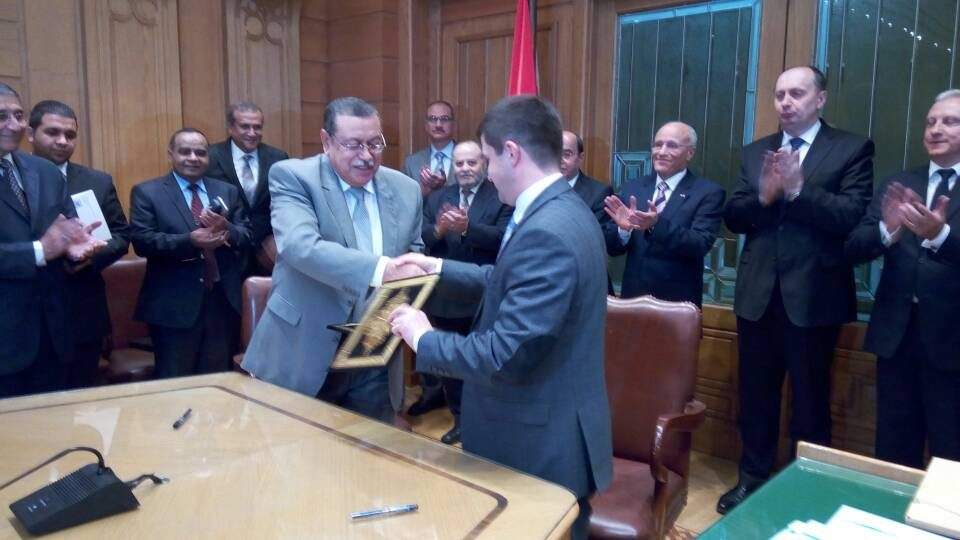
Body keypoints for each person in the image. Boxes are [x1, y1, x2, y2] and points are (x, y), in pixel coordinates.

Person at [389, 95, 613, 539]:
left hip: (536, 442)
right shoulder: (564, 209)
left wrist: (424, 337)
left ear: (512, 153)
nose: (487, 173)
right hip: (552, 426)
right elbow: (509, 279)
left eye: (488, 160)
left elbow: (504, 354)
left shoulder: (547, 230)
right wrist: (438, 267)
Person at [719, 66, 874, 513]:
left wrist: (799, 189)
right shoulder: (756, 151)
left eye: (797, 94)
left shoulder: (851, 148)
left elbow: (850, 217)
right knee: (756, 397)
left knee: (810, 401)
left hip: (814, 297)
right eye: (779, 94)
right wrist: (764, 196)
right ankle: (751, 480)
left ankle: (806, 490)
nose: (786, 102)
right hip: (758, 296)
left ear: (820, 99)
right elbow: (734, 215)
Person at [241, 97, 425, 423]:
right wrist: (381, 269)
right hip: (304, 347)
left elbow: (414, 252)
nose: (366, 156)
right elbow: (299, 246)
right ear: (326, 142)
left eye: (375, 144)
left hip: (373, 350)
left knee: (371, 447)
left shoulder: (406, 189)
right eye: (353, 145)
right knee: (297, 447)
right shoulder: (294, 176)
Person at [845, 89, 960, 468]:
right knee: (893, 448)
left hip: (953, 342)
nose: (936, 129)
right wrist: (888, 229)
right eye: (931, 122)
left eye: (950, 121)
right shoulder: (900, 182)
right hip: (897, 337)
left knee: (951, 454)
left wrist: (940, 236)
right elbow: (854, 247)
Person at [0, 83, 103, 397]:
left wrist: (74, 250)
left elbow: (63, 229)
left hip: (54, 334)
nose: (14, 125)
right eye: (2, 116)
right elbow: (44, 246)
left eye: (19, 115)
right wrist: (39, 251)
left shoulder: (44, 171)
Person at [130, 128, 252, 378]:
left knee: (218, 381)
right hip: (173, 305)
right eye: (185, 152)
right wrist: (190, 241)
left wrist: (226, 228)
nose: (193, 158)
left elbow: (247, 236)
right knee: (176, 383)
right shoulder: (148, 192)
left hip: (221, 302)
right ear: (171, 154)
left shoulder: (227, 191)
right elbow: (142, 241)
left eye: (200, 153)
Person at [415, 140, 512, 444]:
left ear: (484, 164)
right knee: (449, 363)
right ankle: (460, 419)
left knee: (480, 363)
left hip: (483, 296)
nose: (465, 169)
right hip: (443, 296)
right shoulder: (438, 197)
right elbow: (421, 237)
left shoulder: (501, 196)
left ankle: (483, 419)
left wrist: (468, 228)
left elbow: (504, 238)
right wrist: (440, 230)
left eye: (472, 162)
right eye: (459, 164)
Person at [28, 99, 130, 389]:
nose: (62, 141)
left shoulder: (97, 181)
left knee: (83, 397)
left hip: (83, 310)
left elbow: (122, 235)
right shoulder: (13, 180)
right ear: (31, 134)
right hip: (29, 313)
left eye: (70, 135)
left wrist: (90, 257)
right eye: (52, 132)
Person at [603, 122, 725, 306]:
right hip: (633, 299)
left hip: (677, 302)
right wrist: (623, 231)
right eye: (657, 144)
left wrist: (656, 225)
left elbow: (700, 244)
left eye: (672, 145)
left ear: (690, 153)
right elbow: (613, 249)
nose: (661, 151)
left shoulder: (708, 192)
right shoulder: (633, 187)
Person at [205, 102, 290, 276]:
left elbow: (286, 202)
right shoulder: (211, 156)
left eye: (257, 127)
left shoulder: (278, 158)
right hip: (226, 247)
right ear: (230, 127)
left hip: (266, 248)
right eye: (245, 126)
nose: (252, 133)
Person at [403, 100, 456, 197]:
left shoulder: (469, 158)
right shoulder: (411, 163)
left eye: (444, 119)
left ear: (453, 124)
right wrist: (425, 190)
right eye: (433, 119)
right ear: (426, 125)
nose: (438, 125)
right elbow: (405, 201)